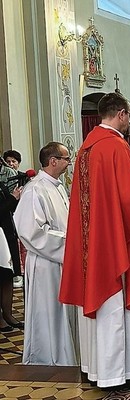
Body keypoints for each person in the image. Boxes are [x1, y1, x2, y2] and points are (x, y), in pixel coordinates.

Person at [59, 92, 130, 388]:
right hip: (116, 241)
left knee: (99, 302)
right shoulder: (116, 147)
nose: (129, 121)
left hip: (93, 240)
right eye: (129, 115)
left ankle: (98, 368)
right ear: (121, 115)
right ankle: (123, 371)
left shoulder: (86, 149)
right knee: (117, 302)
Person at [14, 142, 78, 366]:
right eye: (66, 158)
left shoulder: (57, 186)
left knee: (61, 313)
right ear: (53, 161)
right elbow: (30, 231)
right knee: (48, 313)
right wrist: (70, 242)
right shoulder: (35, 188)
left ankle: (64, 357)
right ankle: (46, 359)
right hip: (45, 263)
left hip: (60, 261)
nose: (69, 163)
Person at [0, 161, 22, 331]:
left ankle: (8, 313)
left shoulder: (1, 184)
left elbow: (8, 208)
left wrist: (15, 198)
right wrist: (11, 199)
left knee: (8, 276)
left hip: (7, 233)